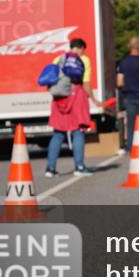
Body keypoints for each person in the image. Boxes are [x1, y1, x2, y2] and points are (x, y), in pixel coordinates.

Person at [46, 38, 95, 177]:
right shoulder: (84, 60)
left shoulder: (58, 59)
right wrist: (94, 99)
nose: (82, 52)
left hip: (59, 98)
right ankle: (79, 167)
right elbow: (85, 83)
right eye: (82, 50)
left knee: (58, 133)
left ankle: (50, 169)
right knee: (78, 131)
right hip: (76, 97)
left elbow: (51, 79)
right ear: (79, 48)